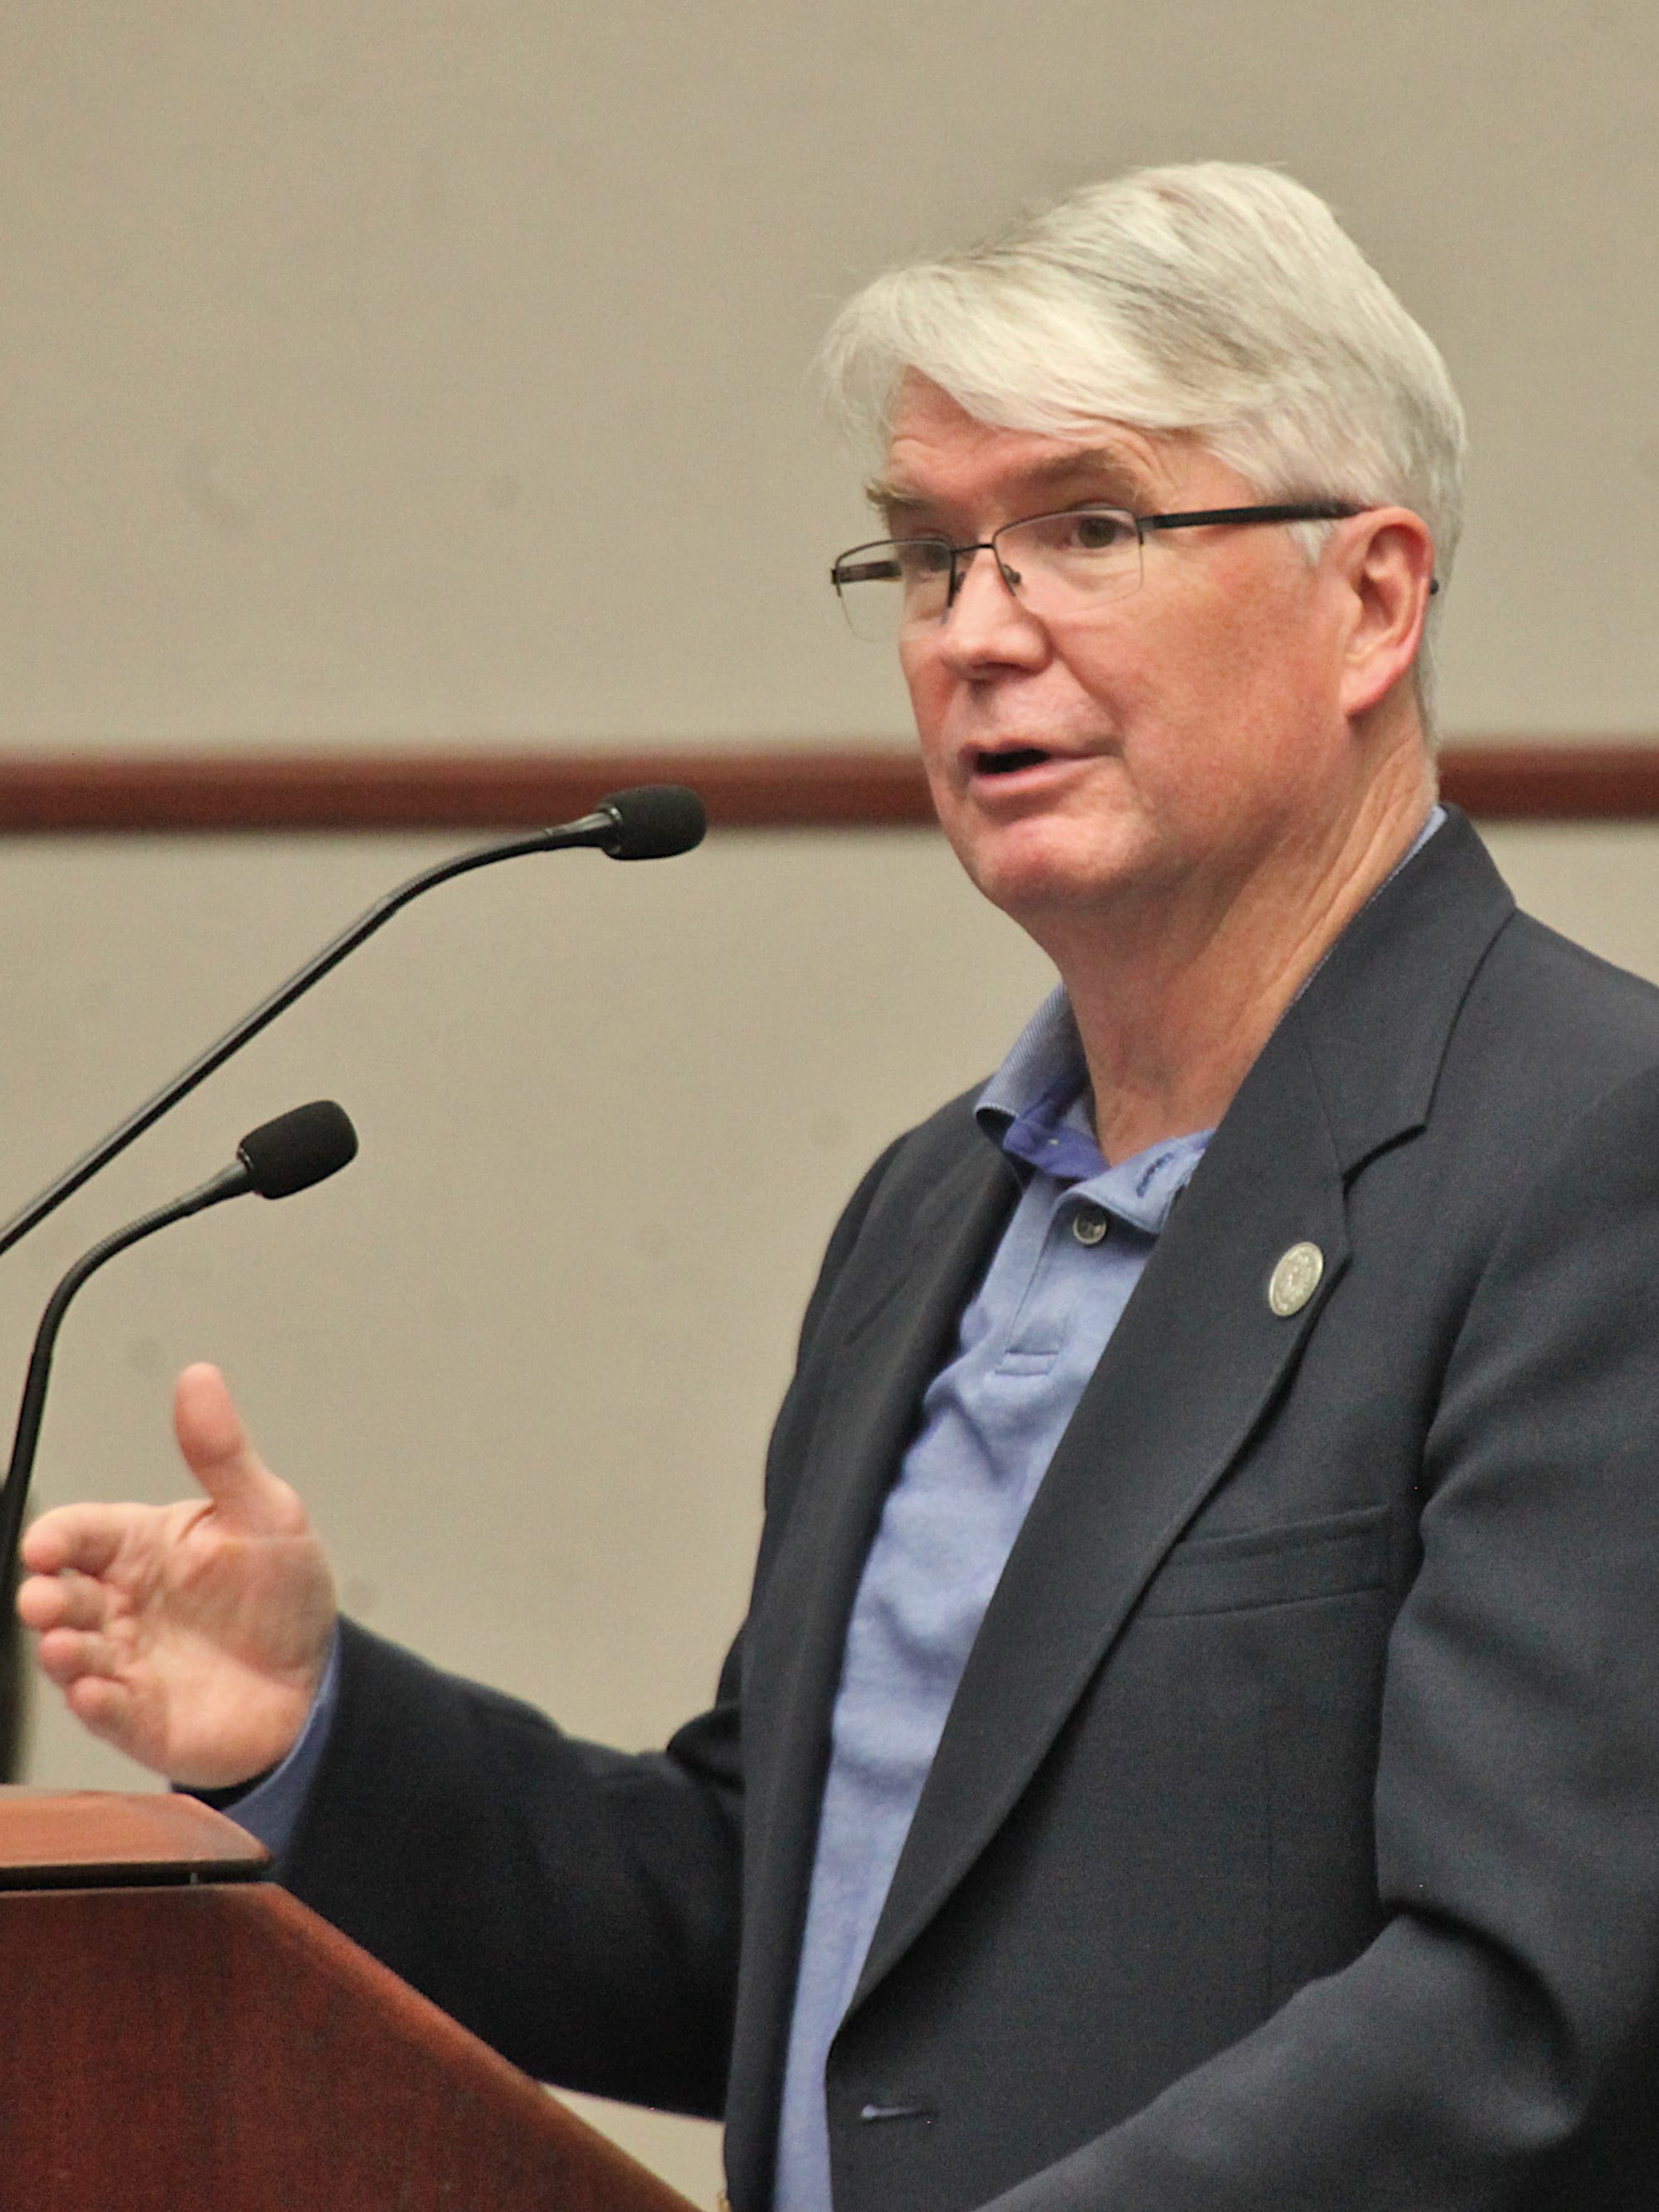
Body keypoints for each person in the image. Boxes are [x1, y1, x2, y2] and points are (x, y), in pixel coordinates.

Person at [19, 163, 1659, 2209]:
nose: (978, 632)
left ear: (1374, 597)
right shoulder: (930, 1210)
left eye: (1085, 528)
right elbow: (798, 1935)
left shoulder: (1591, 1152)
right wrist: (309, 1729)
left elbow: (1534, 2013)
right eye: (923, 555)